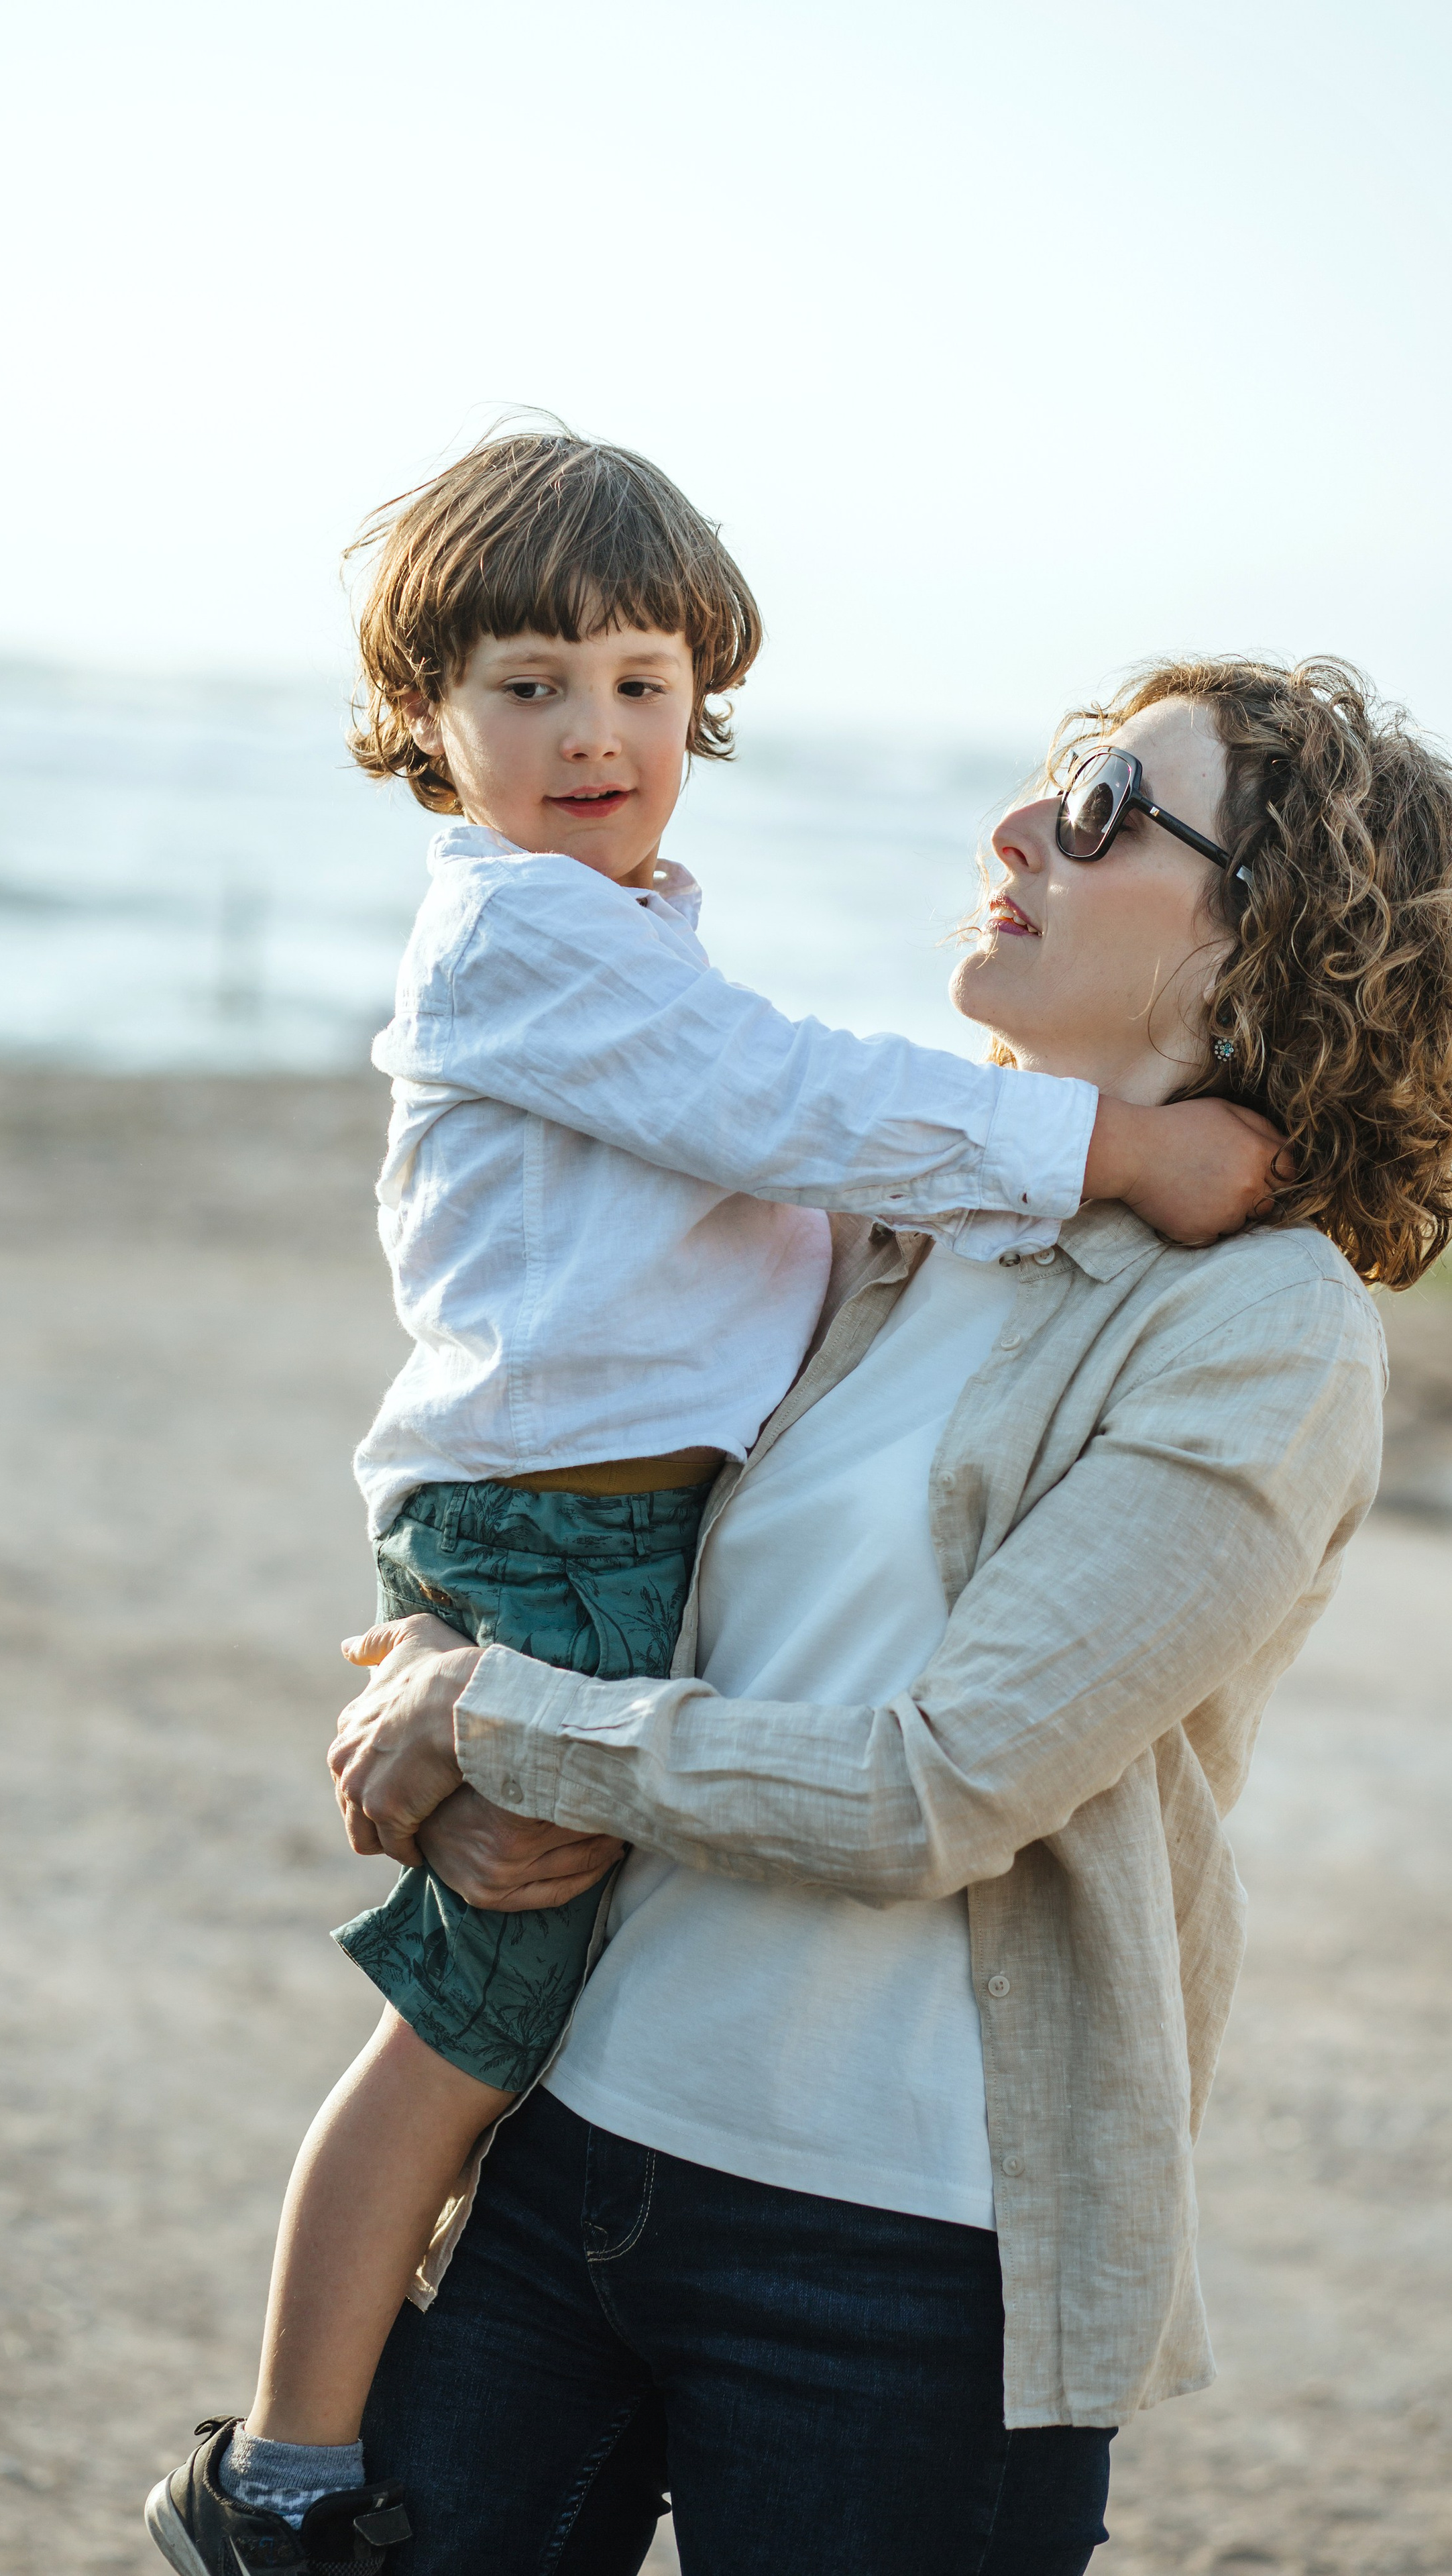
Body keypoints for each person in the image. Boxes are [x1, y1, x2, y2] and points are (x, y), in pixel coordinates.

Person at [144, 435, 1283, 2576]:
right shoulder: (520, 946)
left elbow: (930, 1756)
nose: (592, 732)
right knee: (468, 2027)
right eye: (529, 685)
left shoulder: (638, 945)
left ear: (704, 703)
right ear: (425, 721)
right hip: (549, 1534)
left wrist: (461, 1707)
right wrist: (1112, 1155)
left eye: (640, 683)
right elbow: (792, 1105)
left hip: (640, 1639)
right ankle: (288, 2468)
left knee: (496, 1996)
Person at [324, 656, 1452, 2575]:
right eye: (1049, 785)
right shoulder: (894, 1217)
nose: (1016, 832)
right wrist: (429, 1679)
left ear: (1265, 946)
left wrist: (490, 1721)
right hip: (579, 2140)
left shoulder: (1268, 1331)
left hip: (905, 2259)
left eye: (1104, 810)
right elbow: (590, 1506)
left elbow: (940, 1785)